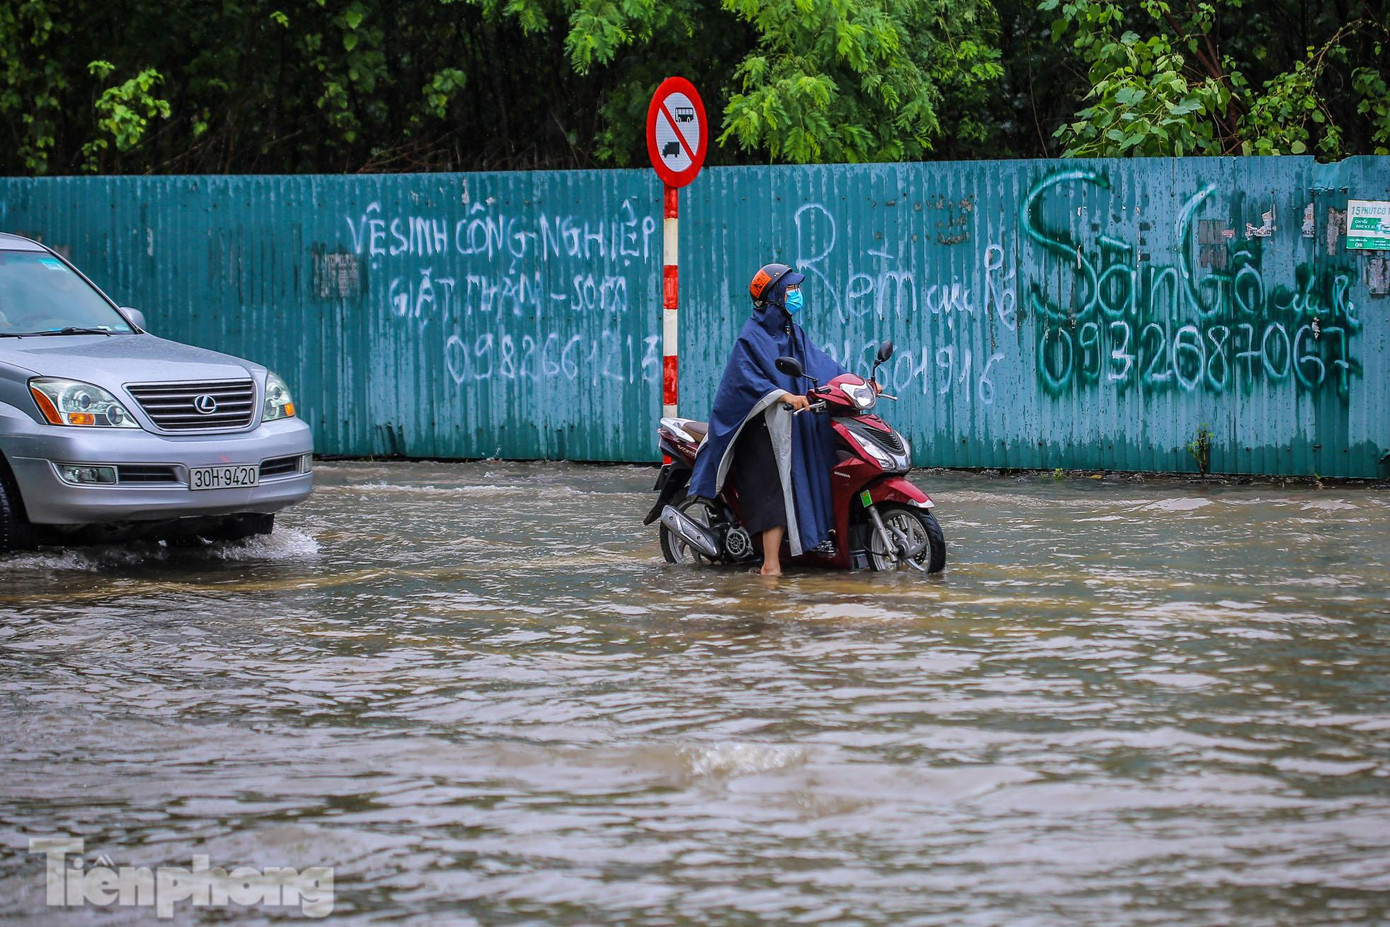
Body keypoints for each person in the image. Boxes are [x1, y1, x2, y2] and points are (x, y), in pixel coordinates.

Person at [687, 262, 847, 576]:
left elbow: (821, 363)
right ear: (774, 295)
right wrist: (782, 394)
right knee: (773, 481)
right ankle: (770, 565)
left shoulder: (792, 332)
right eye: (791, 289)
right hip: (756, 423)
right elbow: (744, 380)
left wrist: (853, 382)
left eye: (797, 289)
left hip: (788, 420)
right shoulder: (751, 336)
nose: (797, 295)